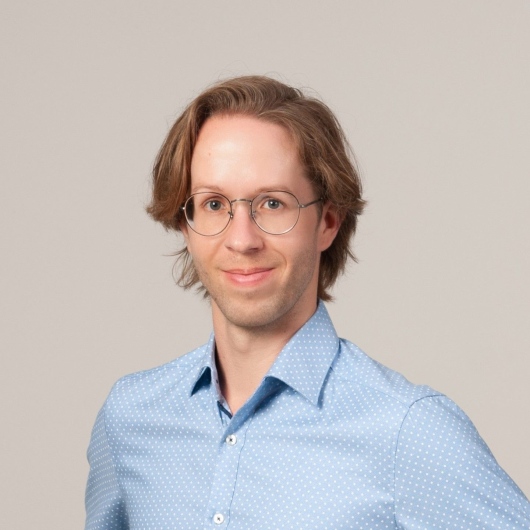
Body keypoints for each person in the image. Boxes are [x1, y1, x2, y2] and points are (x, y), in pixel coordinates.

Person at [85, 76, 530, 529]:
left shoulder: (408, 431)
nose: (242, 239)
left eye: (273, 203)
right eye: (214, 204)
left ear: (328, 222)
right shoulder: (131, 418)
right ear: (186, 224)